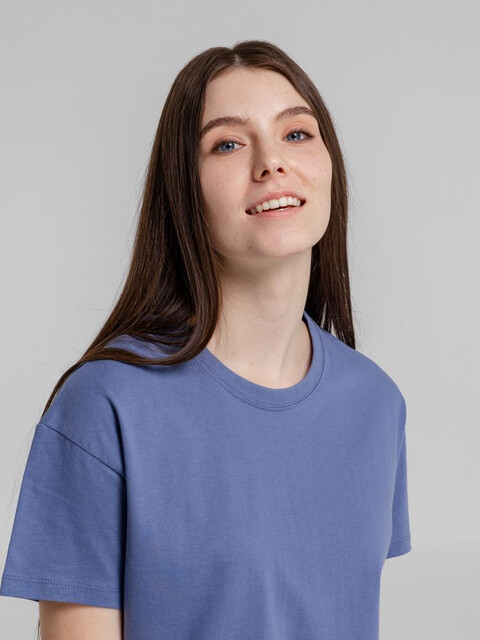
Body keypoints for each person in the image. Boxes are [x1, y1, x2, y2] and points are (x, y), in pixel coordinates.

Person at [0, 40, 412, 639]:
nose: (271, 162)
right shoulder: (107, 406)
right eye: (228, 144)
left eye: (297, 133)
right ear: (183, 190)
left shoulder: (374, 402)